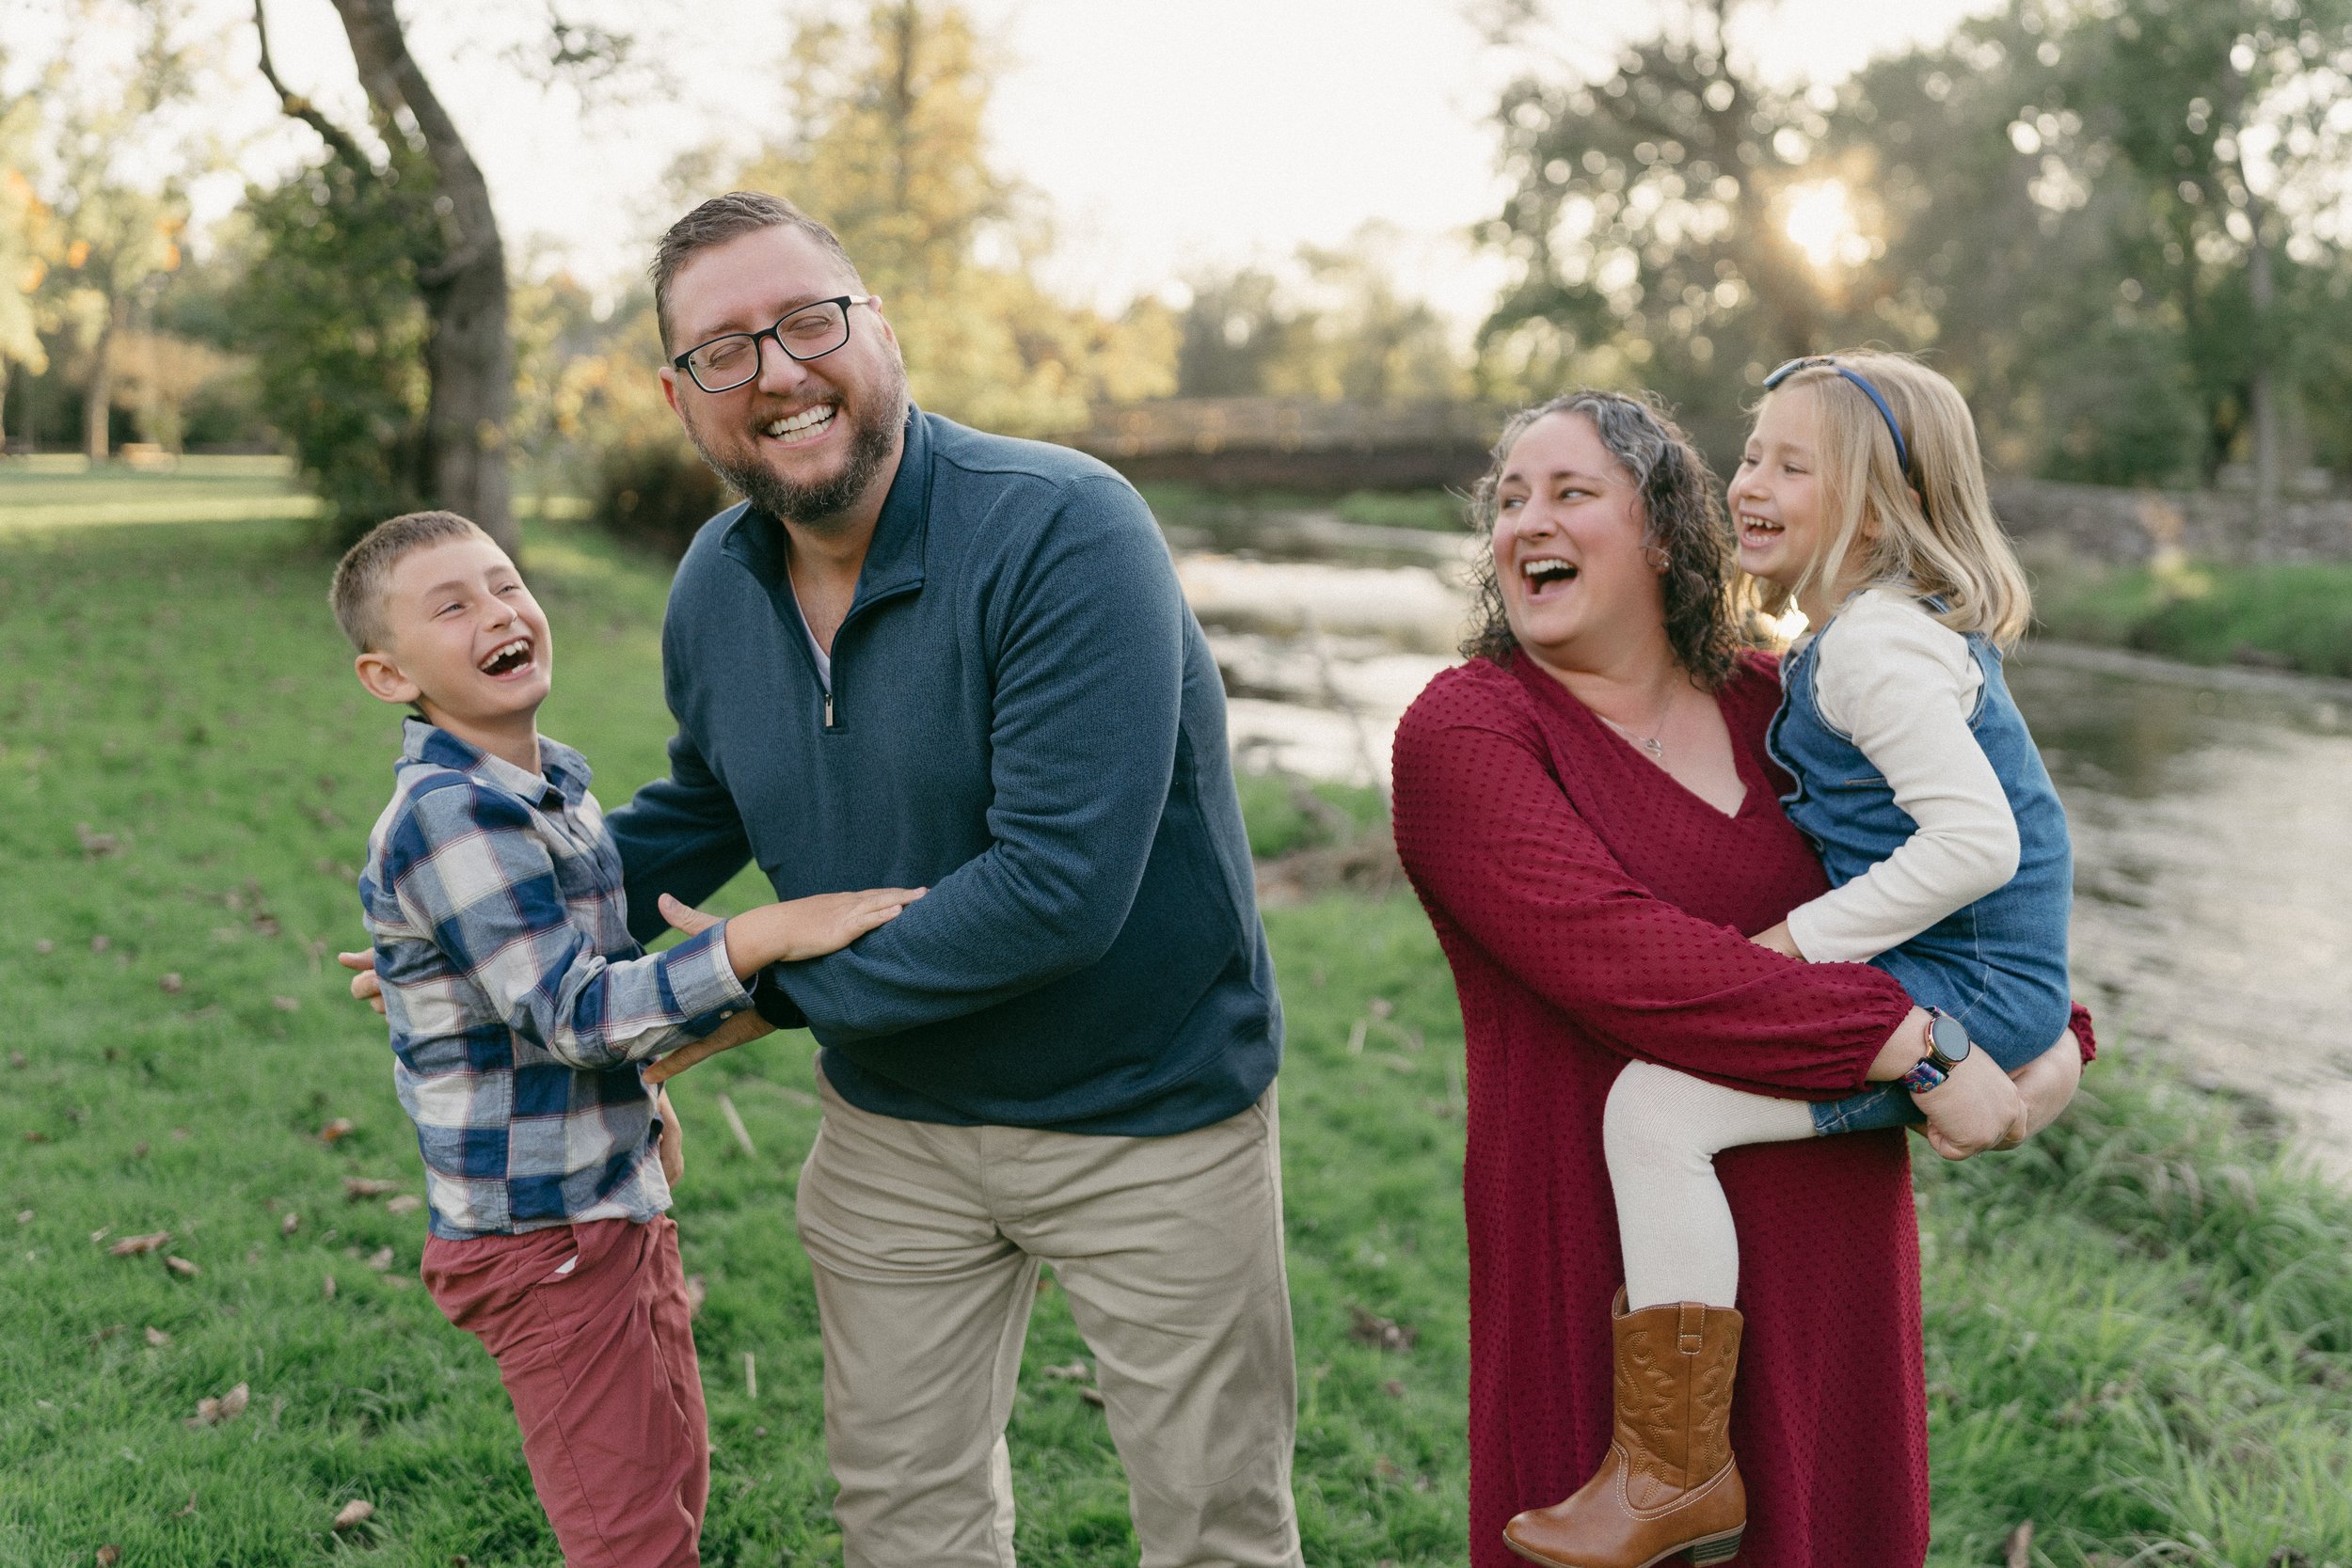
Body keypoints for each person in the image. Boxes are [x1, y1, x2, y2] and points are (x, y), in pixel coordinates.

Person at [346, 192, 1300, 1568]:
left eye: (807, 321)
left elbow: (1054, 889)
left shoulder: (1066, 530)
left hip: (1146, 1117)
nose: (780, 371)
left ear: (878, 329)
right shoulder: (715, 583)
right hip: (894, 1122)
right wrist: (491, 930)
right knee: (909, 1526)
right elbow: (711, 799)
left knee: (1218, 1531)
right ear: (681, 397)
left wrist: (749, 983)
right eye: (725, 350)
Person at [1388, 391, 2088, 1568]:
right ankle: (1664, 1468)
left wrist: (2056, 1034)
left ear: (1662, 526)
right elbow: (1634, 967)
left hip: (1829, 1265)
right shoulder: (1469, 734)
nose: (1522, 523)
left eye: (1567, 493)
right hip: (1601, 1256)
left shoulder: (1789, 699)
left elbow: (1971, 871)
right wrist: (1918, 1044)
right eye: (1507, 499)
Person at [331, 509, 920, 1567]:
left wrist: (645, 1102)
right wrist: (759, 936)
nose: (500, 612)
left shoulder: (546, 786)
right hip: (543, 1237)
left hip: (607, 1207)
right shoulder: (448, 816)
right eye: (451, 605)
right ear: (389, 675)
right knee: (631, 1539)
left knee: (668, 1485)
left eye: (505, 583)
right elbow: (572, 1013)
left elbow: (574, 980)